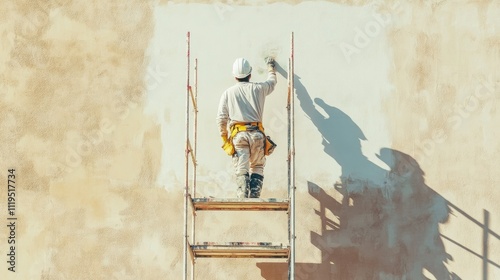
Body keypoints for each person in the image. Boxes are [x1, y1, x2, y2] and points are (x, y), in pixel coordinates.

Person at [216, 57, 277, 198]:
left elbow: (221, 119)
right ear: (250, 74)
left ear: (234, 76)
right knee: (257, 166)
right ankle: (254, 195)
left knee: (241, 168)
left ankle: (242, 195)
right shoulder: (259, 88)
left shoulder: (228, 93)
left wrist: (225, 138)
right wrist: (271, 68)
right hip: (257, 135)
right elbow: (272, 83)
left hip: (239, 137)